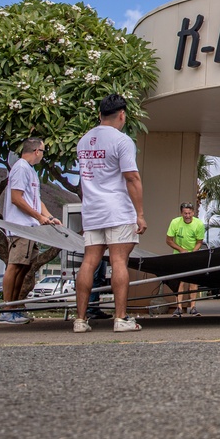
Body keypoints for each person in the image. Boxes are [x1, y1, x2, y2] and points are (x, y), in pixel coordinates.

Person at [73, 94, 147, 333]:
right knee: (118, 261)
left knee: (89, 262)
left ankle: (80, 320)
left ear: (100, 114)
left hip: (92, 210)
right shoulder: (122, 141)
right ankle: (120, 318)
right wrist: (140, 213)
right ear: (122, 114)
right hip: (116, 209)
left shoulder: (83, 141)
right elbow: (132, 177)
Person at [1, 137, 60, 325]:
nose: (43, 156)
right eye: (43, 151)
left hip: (31, 227)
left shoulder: (31, 171)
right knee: (15, 265)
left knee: (24, 267)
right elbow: (16, 198)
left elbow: (36, 199)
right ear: (36, 151)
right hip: (21, 226)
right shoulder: (20, 168)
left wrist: (48, 217)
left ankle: (16, 307)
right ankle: (7, 309)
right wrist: (38, 217)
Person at [165, 202, 205, 316]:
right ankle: (179, 307)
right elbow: (169, 240)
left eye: (189, 213)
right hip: (179, 255)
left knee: (193, 281)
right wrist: (181, 250)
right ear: (181, 213)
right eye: (185, 213)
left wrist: (193, 253)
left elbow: (199, 242)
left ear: (193, 212)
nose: (187, 215)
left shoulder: (199, 224)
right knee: (180, 281)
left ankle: (193, 307)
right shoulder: (175, 222)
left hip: (193, 254)